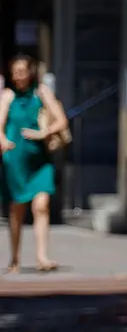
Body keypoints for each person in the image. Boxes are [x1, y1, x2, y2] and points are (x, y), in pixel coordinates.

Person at [0, 55, 67, 273]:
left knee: (41, 206)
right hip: (16, 162)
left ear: (31, 72)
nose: (18, 76)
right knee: (17, 209)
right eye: (14, 72)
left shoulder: (42, 93)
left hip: (40, 161)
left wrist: (43, 133)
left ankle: (42, 257)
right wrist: (3, 142)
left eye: (22, 71)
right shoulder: (8, 96)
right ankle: (15, 258)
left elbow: (61, 120)